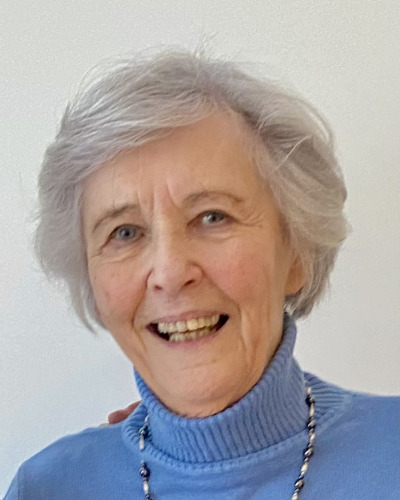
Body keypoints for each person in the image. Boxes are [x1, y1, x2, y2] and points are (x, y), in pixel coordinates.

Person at [4, 51, 398, 500]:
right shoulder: (49, 488)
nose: (170, 273)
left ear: (297, 254)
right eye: (125, 232)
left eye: (213, 217)